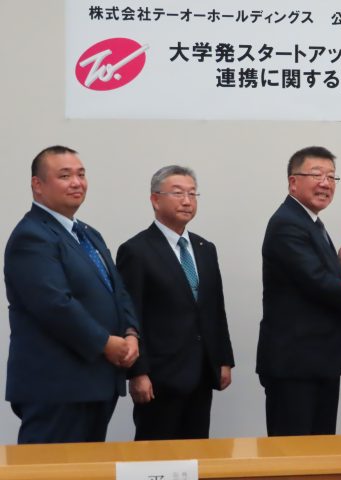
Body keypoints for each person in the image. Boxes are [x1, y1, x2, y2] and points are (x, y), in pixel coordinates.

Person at [4, 145, 140, 444]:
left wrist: (130, 332)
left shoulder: (88, 233)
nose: (77, 183)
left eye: (81, 174)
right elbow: (54, 304)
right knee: (49, 468)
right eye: (65, 176)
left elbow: (118, 292)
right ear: (38, 185)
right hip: (56, 387)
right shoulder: (32, 235)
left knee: (88, 467)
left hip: (95, 382)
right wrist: (105, 343)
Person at [256, 146, 341, 436]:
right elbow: (315, 281)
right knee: (294, 453)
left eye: (331, 177)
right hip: (295, 364)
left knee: (321, 449)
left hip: (317, 360)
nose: (325, 183)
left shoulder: (309, 221)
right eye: (316, 175)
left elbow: (313, 278)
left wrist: (340, 265)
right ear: (293, 182)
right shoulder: (287, 223)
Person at [116, 165, 235, 440]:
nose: (187, 201)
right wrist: (137, 372)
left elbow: (215, 309)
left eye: (193, 194)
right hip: (160, 376)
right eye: (178, 193)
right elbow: (130, 314)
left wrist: (223, 359)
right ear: (155, 200)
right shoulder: (136, 250)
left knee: (196, 452)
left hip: (202, 372)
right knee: (157, 454)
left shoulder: (205, 248)